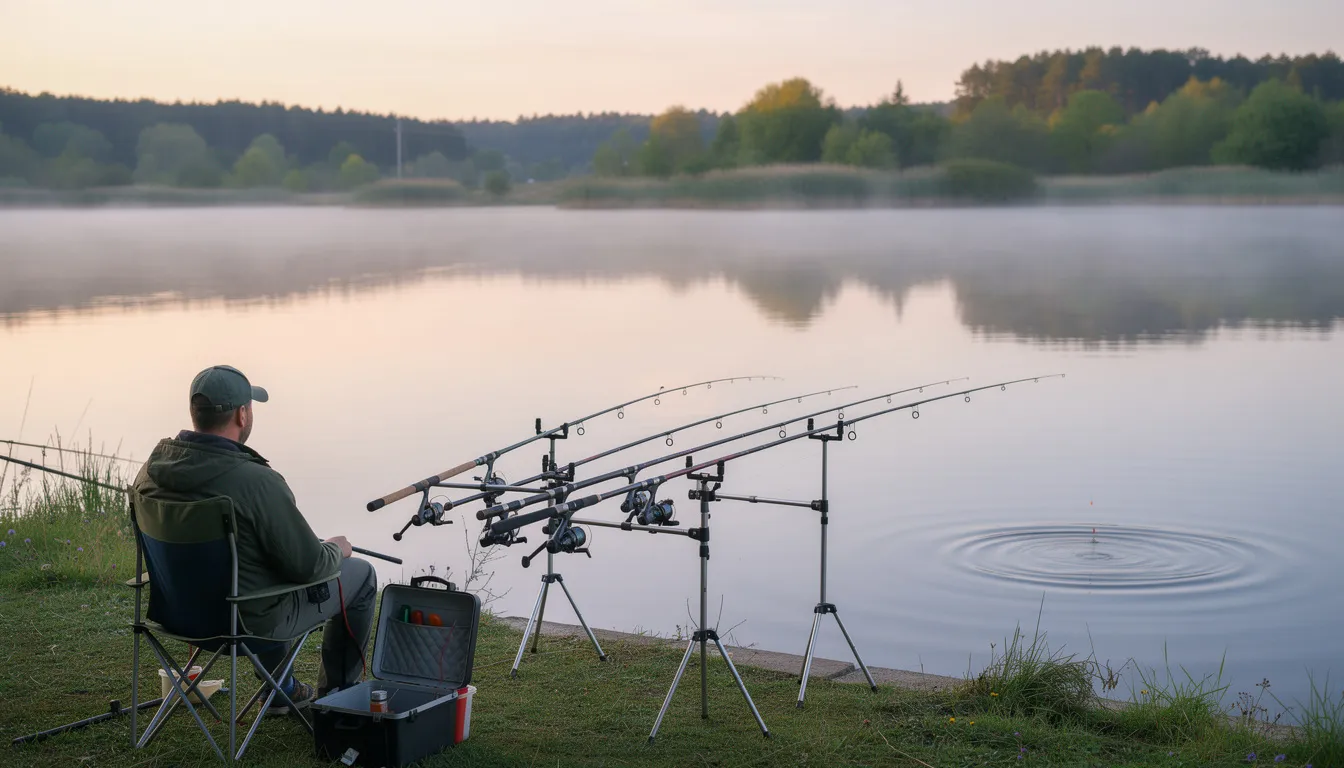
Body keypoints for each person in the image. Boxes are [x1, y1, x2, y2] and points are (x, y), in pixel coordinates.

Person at [133, 364, 375, 711]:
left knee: (257, 567)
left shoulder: (151, 469)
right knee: (362, 576)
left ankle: (282, 690)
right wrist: (336, 549)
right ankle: (337, 701)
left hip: (176, 615)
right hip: (243, 625)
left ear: (194, 412)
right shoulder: (257, 481)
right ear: (242, 415)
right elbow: (310, 567)